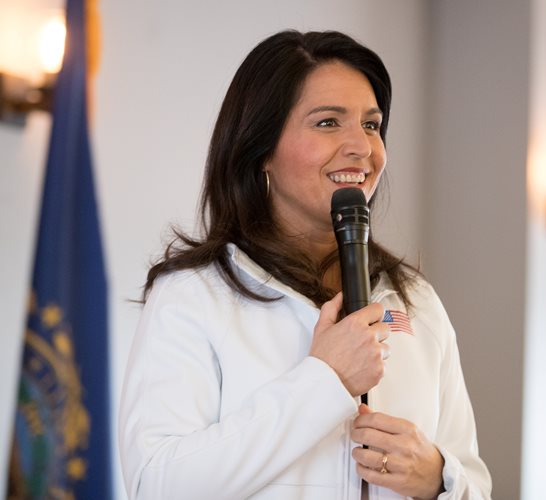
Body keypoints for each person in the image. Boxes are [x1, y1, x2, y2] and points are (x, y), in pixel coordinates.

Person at [119, 29, 492, 500]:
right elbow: (157, 485)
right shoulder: (193, 296)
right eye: (328, 122)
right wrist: (324, 381)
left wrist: (439, 478)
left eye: (371, 125)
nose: (362, 147)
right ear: (261, 150)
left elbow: (476, 485)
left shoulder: (416, 302)